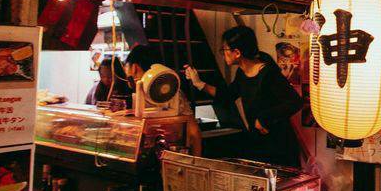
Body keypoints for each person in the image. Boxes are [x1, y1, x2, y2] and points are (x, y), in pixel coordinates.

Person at [185, 25, 303, 168]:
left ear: (237, 52)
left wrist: (264, 118)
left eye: (225, 49)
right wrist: (199, 83)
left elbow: (295, 102)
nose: (223, 53)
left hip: (279, 146)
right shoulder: (242, 73)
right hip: (260, 143)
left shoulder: (268, 74)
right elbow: (227, 95)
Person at [124, 44, 203, 155]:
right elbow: (194, 133)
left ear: (134, 67)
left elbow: (194, 133)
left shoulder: (172, 93)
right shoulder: (172, 91)